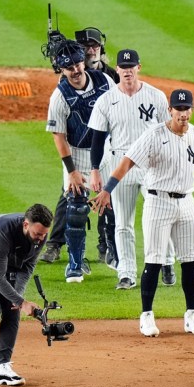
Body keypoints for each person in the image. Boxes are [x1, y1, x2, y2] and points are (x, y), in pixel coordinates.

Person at [91, 88, 194, 336]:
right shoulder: (154, 135)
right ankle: (147, 316)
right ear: (170, 110)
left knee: (190, 260)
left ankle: (191, 315)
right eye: (178, 109)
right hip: (158, 202)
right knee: (153, 259)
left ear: (192, 110)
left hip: (186, 203)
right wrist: (108, 189)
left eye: (187, 109)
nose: (183, 114)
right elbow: (128, 161)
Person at [88, 48, 176, 290]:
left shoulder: (156, 96)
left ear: (139, 67)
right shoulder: (106, 100)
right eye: (123, 68)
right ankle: (126, 273)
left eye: (131, 67)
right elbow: (97, 138)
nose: (127, 71)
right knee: (123, 223)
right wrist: (95, 169)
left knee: (159, 217)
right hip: (120, 166)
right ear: (116, 70)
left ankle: (167, 262)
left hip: (152, 166)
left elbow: (167, 133)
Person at [40, 33, 117, 267]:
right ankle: (75, 261)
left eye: (77, 64)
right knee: (75, 207)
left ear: (83, 61)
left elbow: (120, 110)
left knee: (112, 201)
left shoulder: (105, 80)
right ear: (61, 70)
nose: (75, 70)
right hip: (78, 153)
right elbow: (59, 136)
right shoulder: (60, 96)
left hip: (107, 150)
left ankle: (111, 250)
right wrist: (72, 171)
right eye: (69, 67)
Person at [0, 204, 53, 386]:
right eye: (38, 234)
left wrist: (18, 297)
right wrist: (22, 302)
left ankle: (3, 367)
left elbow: (27, 266)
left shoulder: (40, 233)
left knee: (12, 309)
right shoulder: (3, 232)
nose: (41, 239)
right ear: (26, 225)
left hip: (9, 264)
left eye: (44, 234)